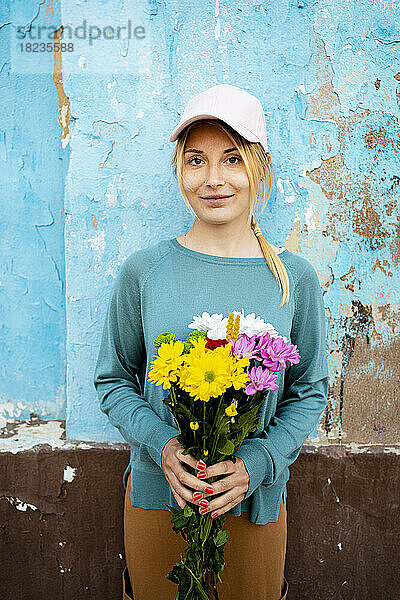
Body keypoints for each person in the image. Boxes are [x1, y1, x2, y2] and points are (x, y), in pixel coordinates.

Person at [93, 83, 329, 600]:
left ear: (258, 167)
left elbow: (309, 390)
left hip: (254, 504)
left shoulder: (293, 278)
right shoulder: (144, 273)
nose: (214, 179)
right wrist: (164, 447)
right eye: (196, 160)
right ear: (180, 169)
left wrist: (257, 464)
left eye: (232, 159)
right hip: (161, 499)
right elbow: (113, 380)